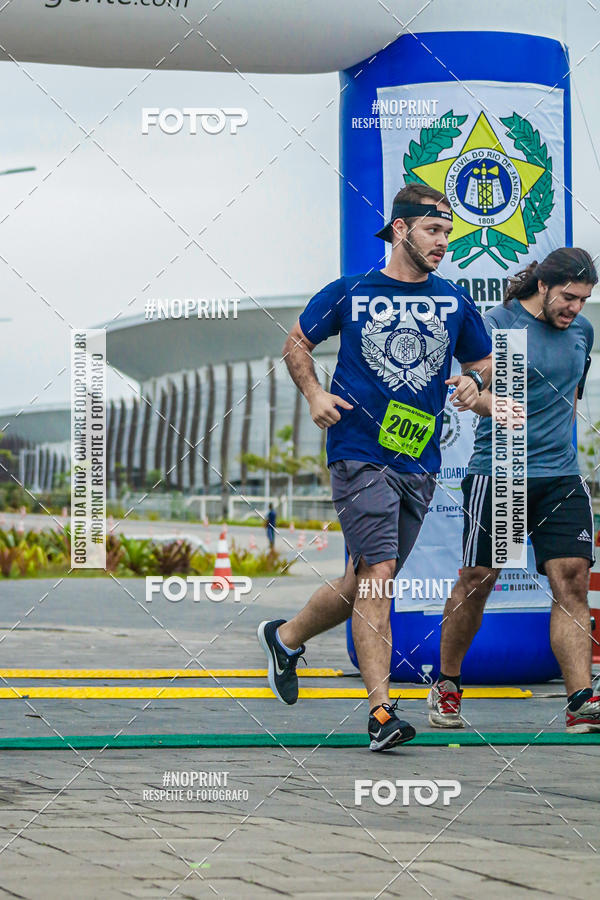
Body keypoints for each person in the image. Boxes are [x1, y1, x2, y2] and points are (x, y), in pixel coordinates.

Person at [257, 182, 493, 750]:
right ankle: (381, 713)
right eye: (434, 230)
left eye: (448, 233)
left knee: (362, 579)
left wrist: (475, 387)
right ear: (401, 229)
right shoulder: (352, 291)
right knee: (379, 578)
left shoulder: (454, 302)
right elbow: (296, 344)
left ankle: (284, 637)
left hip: (420, 458)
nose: (443, 243)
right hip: (358, 452)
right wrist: (314, 393)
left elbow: (486, 372)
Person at [427, 247, 600, 734]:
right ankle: (446, 684)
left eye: (584, 300)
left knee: (571, 581)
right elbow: (472, 393)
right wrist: (487, 403)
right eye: (568, 297)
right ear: (542, 287)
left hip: (561, 477)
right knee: (478, 581)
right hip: (500, 472)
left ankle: (580, 701)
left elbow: (570, 402)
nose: (575, 309)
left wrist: (557, 452)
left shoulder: (582, 333)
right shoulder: (496, 324)